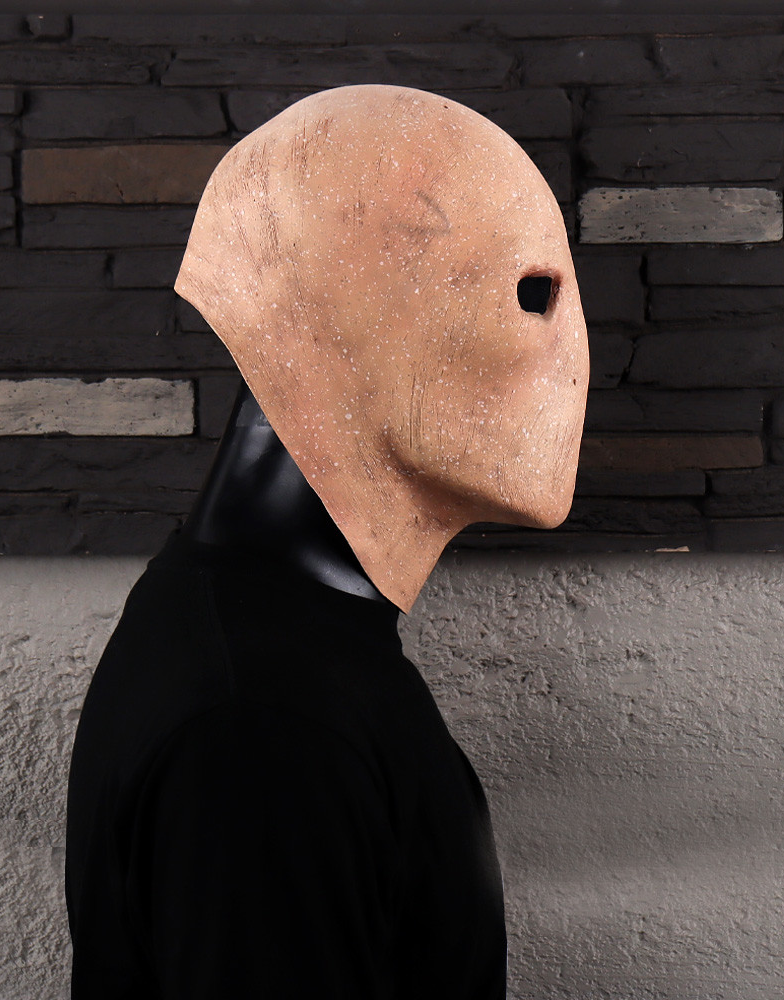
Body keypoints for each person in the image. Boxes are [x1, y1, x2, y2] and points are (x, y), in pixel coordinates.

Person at [65, 82, 589, 998]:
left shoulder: (263, 642)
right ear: (346, 315)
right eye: (531, 294)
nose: (574, 357)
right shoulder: (263, 734)